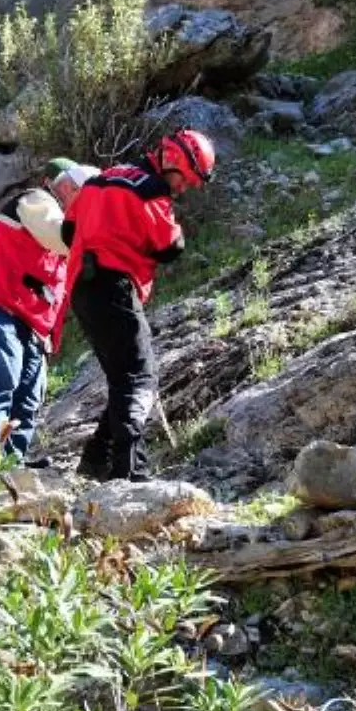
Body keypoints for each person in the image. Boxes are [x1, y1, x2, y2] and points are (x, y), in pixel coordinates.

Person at [62, 129, 216, 482]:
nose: (183, 188)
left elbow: (68, 232)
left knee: (123, 378)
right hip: (114, 286)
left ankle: (96, 459)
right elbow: (169, 248)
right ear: (172, 161)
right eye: (184, 180)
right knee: (140, 376)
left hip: (82, 290)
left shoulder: (102, 178)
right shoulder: (152, 191)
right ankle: (130, 471)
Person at [0, 158, 98, 460]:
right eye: (81, 192)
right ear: (64, 186)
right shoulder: (38, 201)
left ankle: (11, 463)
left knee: (29, 396)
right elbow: (60, 237)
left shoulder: (63, 225)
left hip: (29, 320)